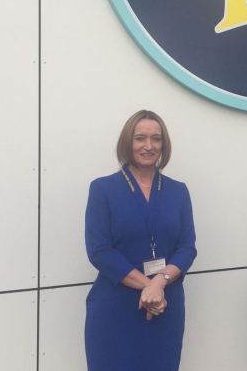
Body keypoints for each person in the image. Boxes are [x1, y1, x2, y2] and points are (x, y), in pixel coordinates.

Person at [84, 110, 197, 371]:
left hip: (164, 307)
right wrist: (150, 288)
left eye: (156, 139)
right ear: (128, 142)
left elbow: (187, 247)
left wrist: (160, 283)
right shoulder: (103, 189)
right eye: (140, 138)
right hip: (115, 307)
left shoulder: (178, 190)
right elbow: (99, 250)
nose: (148, 146)